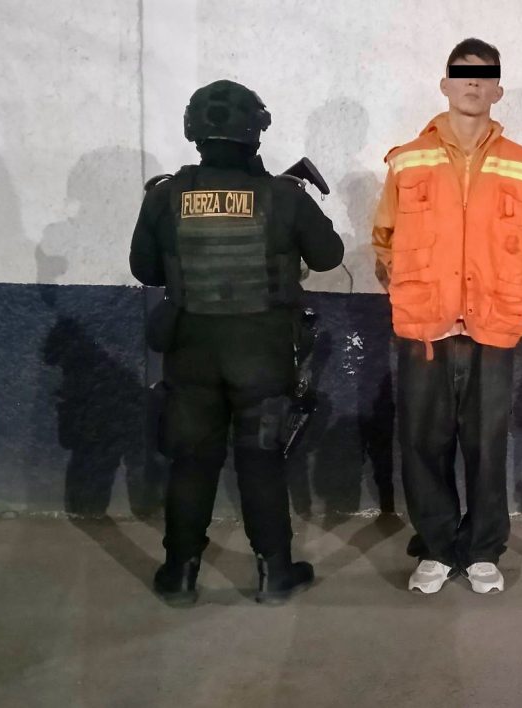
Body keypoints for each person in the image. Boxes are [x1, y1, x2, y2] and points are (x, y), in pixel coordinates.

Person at [129, 79, 344, 604]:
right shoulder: (283, 196)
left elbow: (145, 270)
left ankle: (179, 576)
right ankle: (275, 575)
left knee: (191, 462)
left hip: (191, 352)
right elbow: (329, 256)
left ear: (193, 130)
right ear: (256, 131)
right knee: (261, 461)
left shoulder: (165, 195)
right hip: (262, 354)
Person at [372, 38, 522, 594]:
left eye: (485, 76)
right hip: (426, 329)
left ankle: (482, 550)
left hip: (492, 329)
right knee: (423, 443)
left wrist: (509, 294)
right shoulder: (406, 159)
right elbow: (385, 240)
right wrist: (421, 293)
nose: (473, 83)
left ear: (498, 90)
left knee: (486, 444)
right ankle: (435, 546)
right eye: (462, 74)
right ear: (445, 84)